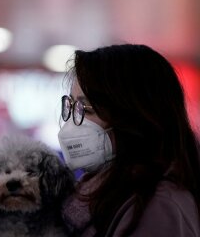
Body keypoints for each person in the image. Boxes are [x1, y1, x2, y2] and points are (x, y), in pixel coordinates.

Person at [57, 44, 200, 237]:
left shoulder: (157, 207)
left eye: (87, 109)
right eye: (72, 107)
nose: (72, 123)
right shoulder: (98, 189)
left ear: (133, 117)